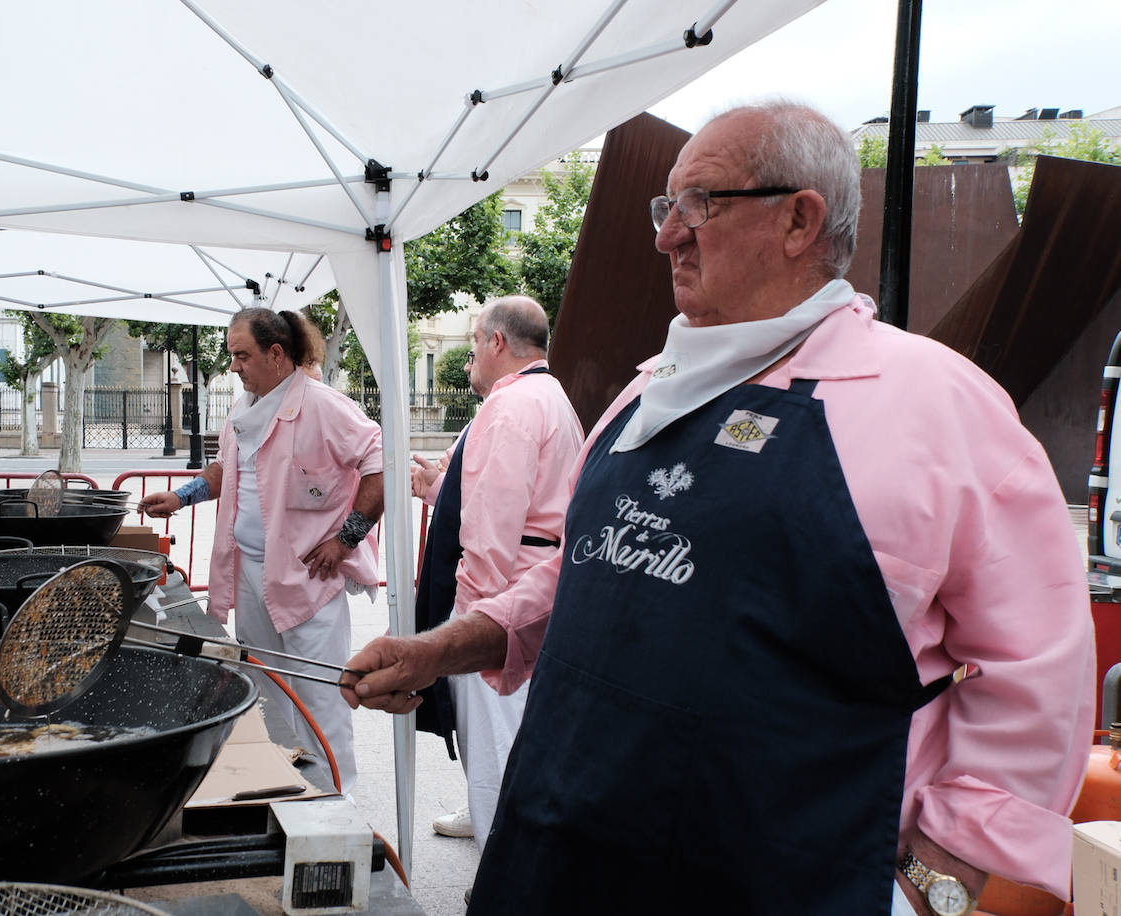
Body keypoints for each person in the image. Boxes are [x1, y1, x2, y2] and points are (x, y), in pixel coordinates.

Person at [342, 100, 1094, 916]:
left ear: (799, 219)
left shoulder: (937, 406)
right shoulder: (645, 392)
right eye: (667, 208)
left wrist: (939, 878)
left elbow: (1038, 667)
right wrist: (444, 649)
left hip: (774, 879)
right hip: (554, 854)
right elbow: (585, 575)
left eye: (699, 203)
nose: (668, 234)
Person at [141, 308, 383, 791]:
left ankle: (338, 798)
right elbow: (224, 472)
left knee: (319, 696)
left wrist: (346, 539)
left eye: (241, 356)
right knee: (268, 689)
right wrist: (181, 497)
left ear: (277, 354)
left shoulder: (322, 405)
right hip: (251, 574)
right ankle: (287, 787)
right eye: (231, 356)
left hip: (308, 579)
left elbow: (380, 464)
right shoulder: (243, 410)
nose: (233, 367)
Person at [411, 296, 583, 849]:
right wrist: (436, 488)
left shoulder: (511, 408)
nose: (469, 362)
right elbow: (502, 497)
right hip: (529, 591)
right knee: (503, 738)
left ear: (497, 342)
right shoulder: (547, 396)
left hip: (502, 600)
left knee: (493, 743)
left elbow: (493, 524)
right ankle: (493, 830)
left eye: (473, 346)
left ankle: (497, 866)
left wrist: (469, 622)